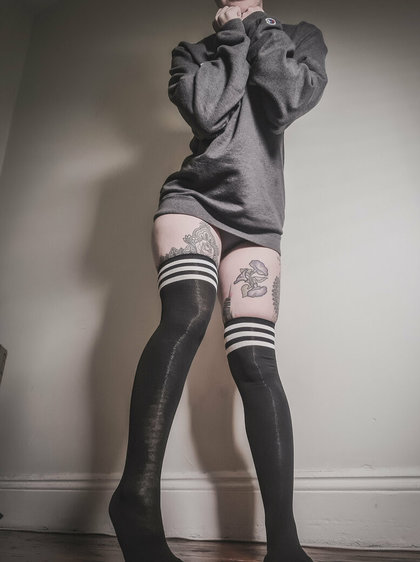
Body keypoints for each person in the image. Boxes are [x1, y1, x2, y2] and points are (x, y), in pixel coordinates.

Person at [108, 1, 328, 561]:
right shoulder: (193, 53)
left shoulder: (298, 37)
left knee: (255, 362)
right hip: (193, 203)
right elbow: (207, 114)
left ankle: (285, 544)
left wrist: (258, 28)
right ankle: (136, 498)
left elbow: (286, 102)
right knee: (187, 315)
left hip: (258, 223)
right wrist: (231, 38)